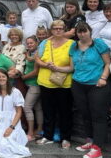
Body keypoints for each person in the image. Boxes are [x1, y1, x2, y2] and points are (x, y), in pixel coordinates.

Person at [69, 22, 111, 158]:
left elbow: (108, 63)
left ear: (90, 31)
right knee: (85, 113)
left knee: (98, 115)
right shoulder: (73, 46)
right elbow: (71, 67)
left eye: (84, 31)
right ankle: (90, 141)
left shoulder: (98, 44)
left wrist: (103, 78)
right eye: (79, 32)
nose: (82, 34)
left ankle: (97, 149)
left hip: (97, 84)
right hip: (78, 83)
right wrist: (54, 68)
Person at [35, 20, 74, 148]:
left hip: (63, 82)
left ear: (64, 30)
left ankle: (65, 137)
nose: (58, 30)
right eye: (55, 28)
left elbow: (73, 65)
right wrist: (46, 65)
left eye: (60, 28)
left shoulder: (71, 44)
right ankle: (48, 135)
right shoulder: (45, 43)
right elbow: (37, 59)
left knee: (64, 111)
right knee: (48, 111)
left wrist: (58, 68)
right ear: (51, 30)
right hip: (45, 81)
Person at [0, 70, 31, 158]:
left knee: (8, 143)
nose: (1, 78)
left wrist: (11, 127)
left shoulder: (15, 92)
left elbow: (19, 112)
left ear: (7, 78)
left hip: (11, 122)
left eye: (3, 76)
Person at [21, 35, 43, 142]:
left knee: (27, 107)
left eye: (31, 43)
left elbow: (36, 72)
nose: (29, 45)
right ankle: (39, 130)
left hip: (35, 84)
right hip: (30, 84)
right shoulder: (29, 53)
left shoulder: (38, 54)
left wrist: (23, 77)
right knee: (37, 108)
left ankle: (30, 132)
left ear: (36, 43)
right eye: (28, 43)